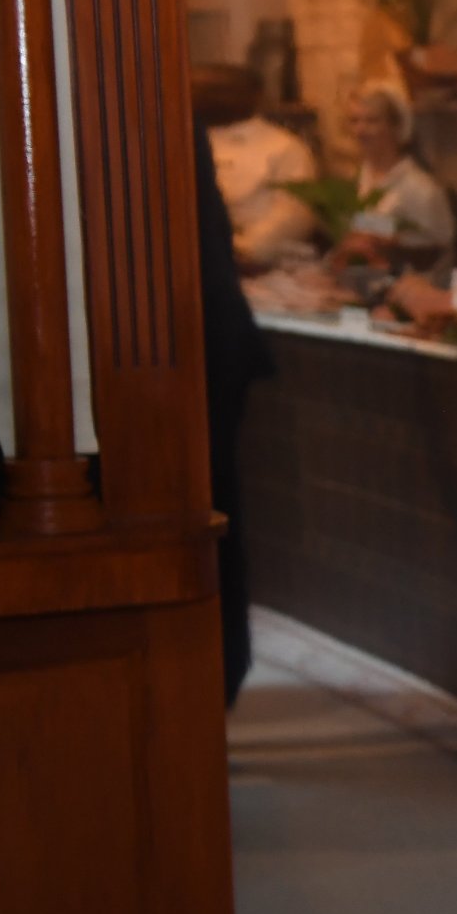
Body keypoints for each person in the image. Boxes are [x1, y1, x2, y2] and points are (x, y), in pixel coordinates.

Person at [192, 119, 273, 705]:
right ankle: (217, 680)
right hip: (207, 343)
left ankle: (215, 682)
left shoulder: (157, 106)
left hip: (202, 349)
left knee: (210, 520)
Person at [192, 62, 316, 268]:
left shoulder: (283, 147)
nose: (208, 97)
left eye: (219, 91)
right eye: (199, 90)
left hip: (260, 263)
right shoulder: (183, 142)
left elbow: (295, 211)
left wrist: (247, 248)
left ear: (253, 96)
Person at [331, 84, 454, 264]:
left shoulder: (420, 189)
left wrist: (383, 243)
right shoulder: (355, 181)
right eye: (354, 121)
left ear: (396, 126)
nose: (360, 131)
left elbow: (437, 250)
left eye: (371, 121)